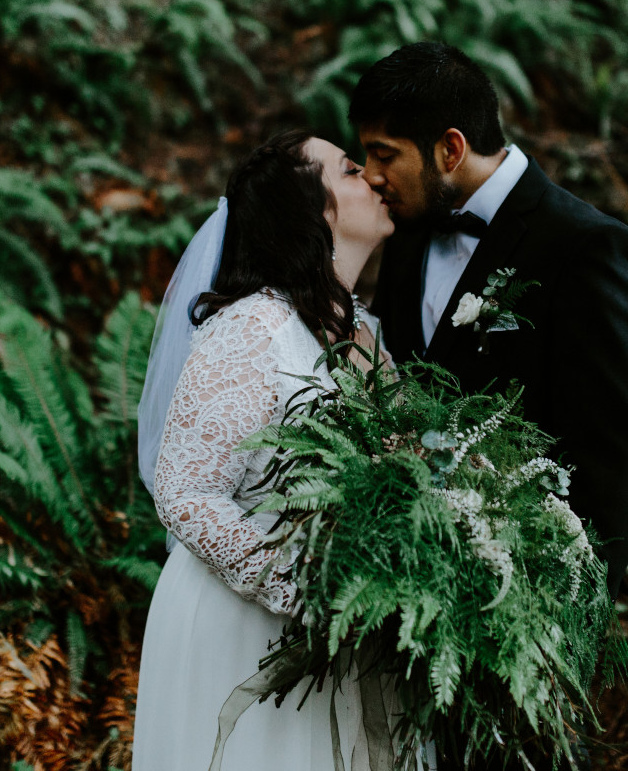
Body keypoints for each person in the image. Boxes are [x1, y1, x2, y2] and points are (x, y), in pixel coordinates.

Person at [132, 130, 417, 771]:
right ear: (313, 212)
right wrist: (306, 586)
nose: (372, 178)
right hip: (247, 630)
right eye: (349, 169)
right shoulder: (254, 329)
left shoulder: (363, 333)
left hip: (344, 635)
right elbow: (184, 489)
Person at [350, 42, 628, 603]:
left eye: (384, 154)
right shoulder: (412, 225)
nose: (370, 175)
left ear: (450, 149)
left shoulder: (586, 248)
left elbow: (618, 456)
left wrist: (571, 614)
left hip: (521, 589)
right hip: (406, 575)